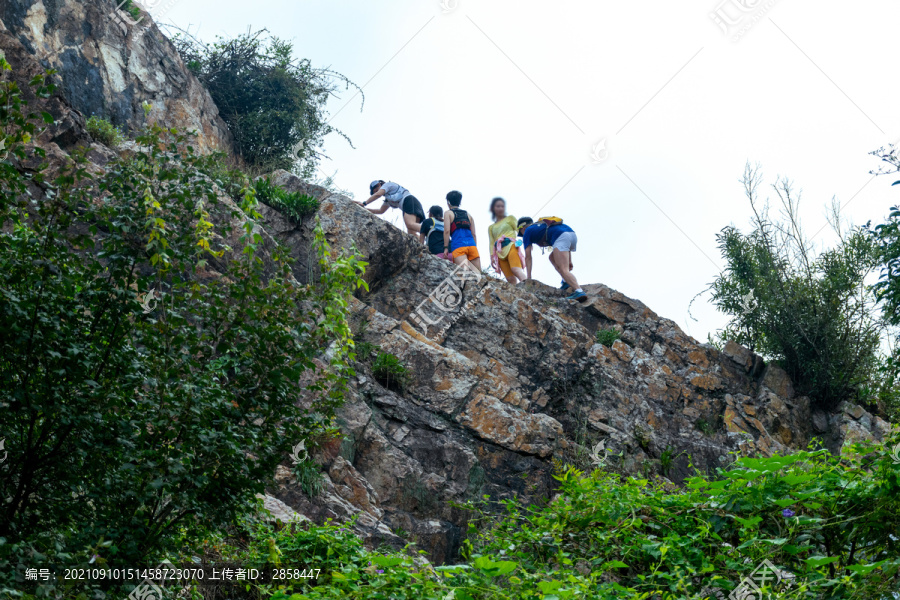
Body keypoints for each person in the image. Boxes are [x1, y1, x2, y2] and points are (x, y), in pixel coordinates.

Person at [518, 217, 587, 302]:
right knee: (552, 258)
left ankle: (579, 291)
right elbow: (563, 234)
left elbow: (528, 257)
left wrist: (528, 277)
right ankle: (565, 281)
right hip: (571, 235)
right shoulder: (541, 225)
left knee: (564, 269)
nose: (522, 235)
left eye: (521, 233)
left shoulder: (527, 231)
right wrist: (569, 260)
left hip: (561, 237)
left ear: (522, 228)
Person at [357, 180, 426, 235]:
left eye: (376, 190)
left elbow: (378, 194)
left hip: (409, 201)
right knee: (412, 234)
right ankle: (428, 248)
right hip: (408, 205)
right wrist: (363, 209)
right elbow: (381, 211)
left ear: (379, 185)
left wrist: (364, 203)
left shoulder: (387, 185)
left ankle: (431, 230)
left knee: (410, 224)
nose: (376, 193)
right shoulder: (388, 199)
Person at [487, 197, 526, 284]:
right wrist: (492, 257)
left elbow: (519, 230)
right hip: (499, 252)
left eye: (502, 206)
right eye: (498, 206)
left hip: (511, 246)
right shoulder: (491, 227)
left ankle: (529, 288)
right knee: (510, 279)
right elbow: (492, 243)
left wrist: (527, 237)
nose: (501, 208)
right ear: (493, 208)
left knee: (516, 269)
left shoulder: (510, 218)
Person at [442, 191, 481, 270]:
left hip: (458, 246)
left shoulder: (448, 213)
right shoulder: (468, 215)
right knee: (478, 274)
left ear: (448, 202)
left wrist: (446, 247)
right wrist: (474, 247)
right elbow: (474, 234)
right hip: (472, 246)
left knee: (465, 273)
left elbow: (446, 231)